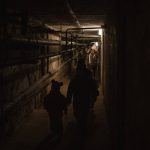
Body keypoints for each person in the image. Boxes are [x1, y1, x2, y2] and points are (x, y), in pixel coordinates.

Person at [67, 60, 93, 137]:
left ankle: (81, 129)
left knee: (81, 115)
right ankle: (82, 130)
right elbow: (92, 87)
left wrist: (69, 99)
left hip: (79, 99)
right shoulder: (86, 77)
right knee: (81, 115)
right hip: (83, 99)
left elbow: (70, 90)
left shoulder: (75, 79)